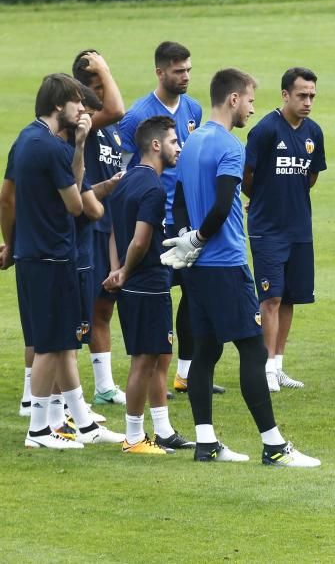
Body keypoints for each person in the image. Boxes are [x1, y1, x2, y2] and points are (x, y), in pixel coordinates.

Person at [168, 67, 319, 466]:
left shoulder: (192, 140)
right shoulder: (229, 147)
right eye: (250, 100)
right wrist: (200, 238)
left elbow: (181, 198)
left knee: (205, 351)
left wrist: (186, 238)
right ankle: (273, 446)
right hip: (225, 263)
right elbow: (221, 205)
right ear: (233, 99)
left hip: (196, 267)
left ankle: (206, 442)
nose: (253, 108)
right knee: (254, 352)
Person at [14, 73, 123, 449]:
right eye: (77, 101)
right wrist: (78, 151)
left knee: (60, 343)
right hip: (52, 256)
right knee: (49, 345)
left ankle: (77, 423)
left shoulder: (27, 139)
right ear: (59, 104)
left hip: (32, 253)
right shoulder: (49, 147)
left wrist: (78, 144)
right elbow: (77, 204)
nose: (82, 109)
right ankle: (40, 430)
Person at [119, 41, 224, 396]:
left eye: (189, 70)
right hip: (152, 221)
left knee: (193, 296)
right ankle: (152, 377)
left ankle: (185, 373)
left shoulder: (193, 108)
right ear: (160, 72)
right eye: (179, 71)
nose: (186, 77)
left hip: (186, 220)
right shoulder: (137, 115)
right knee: (159, 297)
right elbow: (123, 173)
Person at [104, 115, 193, 453]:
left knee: (158, 355)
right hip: (147, 282)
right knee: (144, 359)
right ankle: (134, 437)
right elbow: (141, 241)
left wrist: (116, 269)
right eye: (173, 141)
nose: (178, 147)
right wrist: (125, 271)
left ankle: (162, 430)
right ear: (156, 145)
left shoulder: (125, 180)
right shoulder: (154, 188)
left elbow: (114, 231)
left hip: (133, 282)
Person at [243, 67, 326, 392]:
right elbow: (247, 175)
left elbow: (312, 175)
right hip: (268, 229)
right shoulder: (265, 130)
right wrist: (262, 198)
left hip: (299, 228)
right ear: (285, 95)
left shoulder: (314, 133)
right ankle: (264, 368)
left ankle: (278, 365)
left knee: (290, 297)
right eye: (302, 95)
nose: (308, 102)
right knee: (271, 297)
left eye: (312, 96)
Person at [73, 49, 129, 404]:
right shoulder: (84, 125)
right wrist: (105, 69)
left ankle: (104, 386)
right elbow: (118, 109)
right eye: (95, 87)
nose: (102, 94)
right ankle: (49, 393)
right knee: (83, 312)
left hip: (110, 228)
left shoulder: (112, 134)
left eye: (104, 85)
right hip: (88, 227)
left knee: (104, 308)